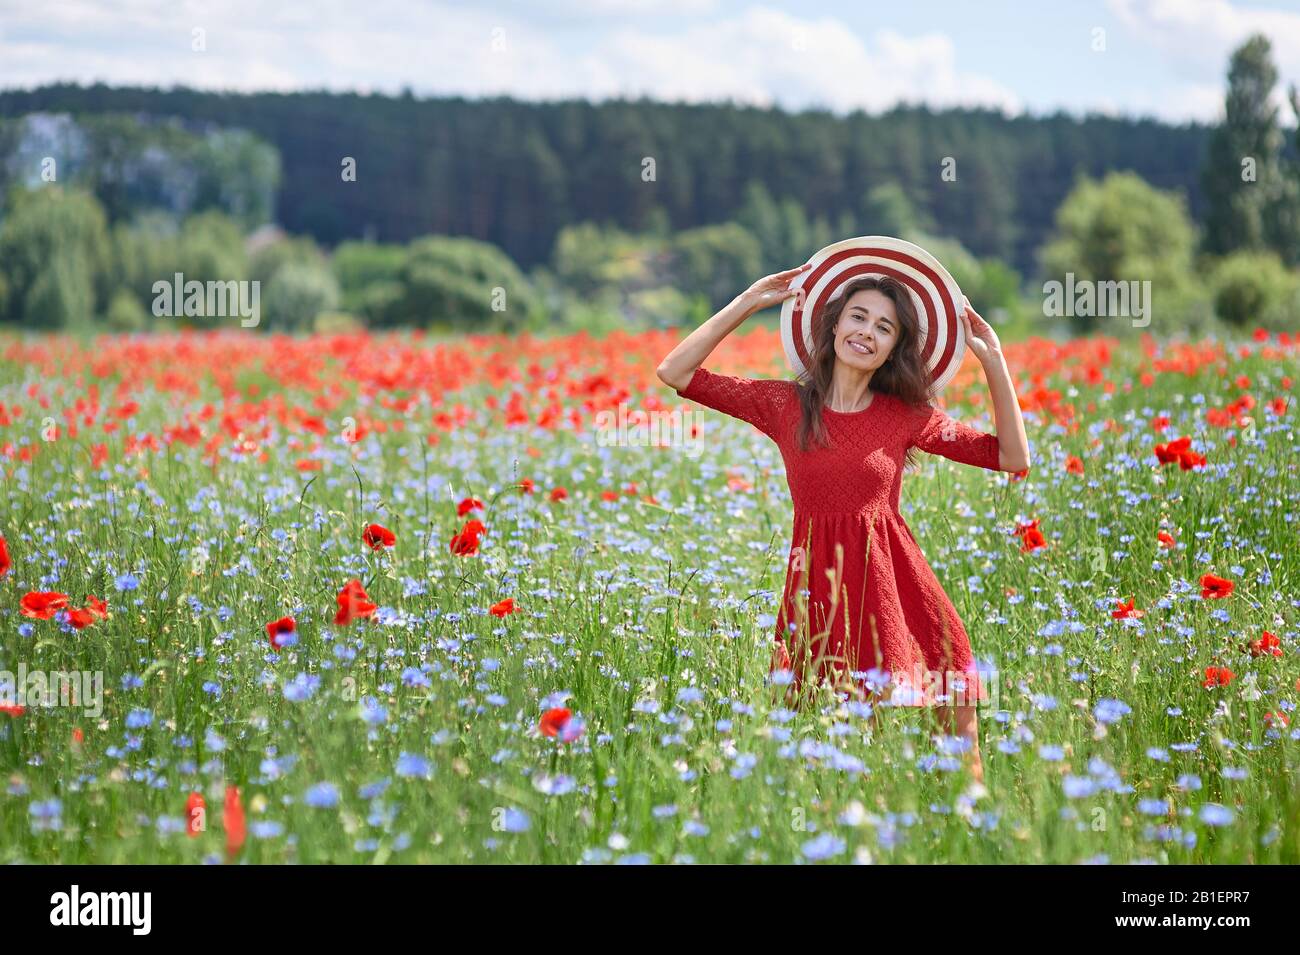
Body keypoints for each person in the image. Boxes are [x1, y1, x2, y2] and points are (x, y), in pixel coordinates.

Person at [656, 265, 1031, 784]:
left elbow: (1011, 457)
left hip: (894, 587)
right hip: (818, 593)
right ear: (833, 327)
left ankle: (969, 823)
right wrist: (749, 300)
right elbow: (675, 373)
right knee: (831, 744)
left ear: (892, 349)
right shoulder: (784, 405)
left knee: (955, 715)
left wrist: (994, 362)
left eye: (884, 327)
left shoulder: (905, 417)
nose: (867, 332)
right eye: (858, 317)